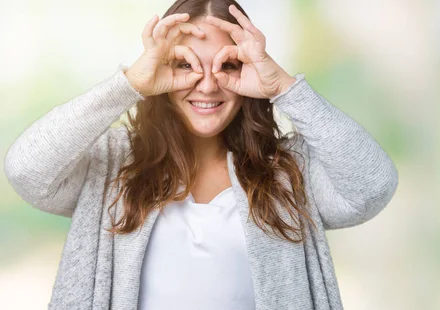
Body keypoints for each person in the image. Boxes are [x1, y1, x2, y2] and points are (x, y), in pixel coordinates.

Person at [4, 0, 399, 309]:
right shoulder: (112, 163)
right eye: (184, 64)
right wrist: (129, 85)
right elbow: (27, 170)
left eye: (227, 64)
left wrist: (285, 88)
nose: (207, 86)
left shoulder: (288, 170)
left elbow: (373, 186)